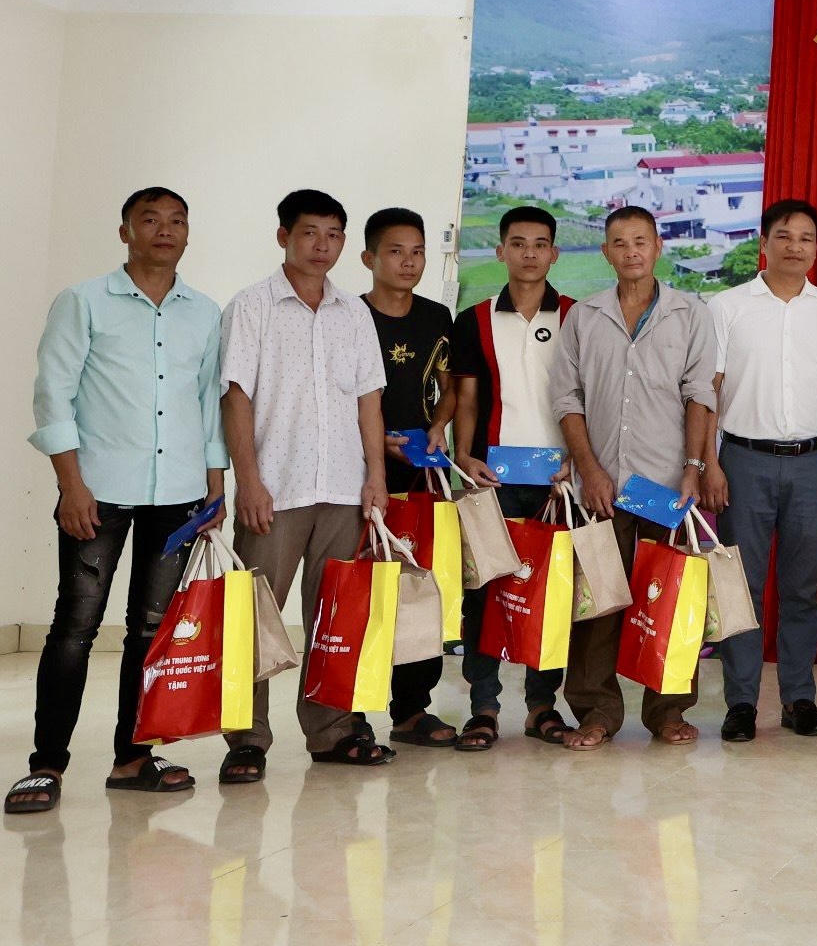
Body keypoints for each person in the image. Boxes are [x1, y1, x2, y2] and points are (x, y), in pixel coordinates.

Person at [7, 188, 224, 814]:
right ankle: (45, 765)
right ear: (125, 231)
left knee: (152, 630)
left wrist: (215, 485)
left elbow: (208, 401)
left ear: (189, 232)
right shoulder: (84, 301)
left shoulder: (203, 312)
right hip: (97, 492)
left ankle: (132, 758)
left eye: (177, 220)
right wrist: (70, 485)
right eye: (149, 220)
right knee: (75, 626)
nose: (165, 230)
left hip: (178, 494)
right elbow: (53, 393)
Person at [219, 189, 393, 780]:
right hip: (276, 489)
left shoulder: (354, 313)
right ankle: (247, 738)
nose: (322, 245)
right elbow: (235, 397)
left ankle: (332, 730)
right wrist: (248, 481)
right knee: (254, 615)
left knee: (335, 617)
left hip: (344, 488)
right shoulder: (252, 307)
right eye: (309, 233)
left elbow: (369, 398)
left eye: (333, 234)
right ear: (283, 237)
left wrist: (375, 476)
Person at [550, 206, 720, 751]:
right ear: (606, 252)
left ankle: (668, 711)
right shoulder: (584, 316)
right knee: (596, 604)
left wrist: (692, 470)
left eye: (641, 241)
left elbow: (700, 394)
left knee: (667, 601)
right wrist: (590, 469)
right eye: (620, 243)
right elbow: (567, 399)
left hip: (665, 485)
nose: (631, 252)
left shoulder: (690, 313)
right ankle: (596, 712)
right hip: (601, 487)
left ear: (658, 247)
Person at [706, 198, 817, 743]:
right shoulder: (727, 307)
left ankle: (798, 698)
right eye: (784, 236)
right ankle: (742, 702)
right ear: (763, 243)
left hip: (814, 463)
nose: (795, 246)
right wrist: (710, 463)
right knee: (741, 587)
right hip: (743, 461)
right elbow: (708, 390)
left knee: (802, 588)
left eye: (806, 238)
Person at [447, 205, 574, 749]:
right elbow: (467, 398)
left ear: (554, 253)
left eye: (540, 244)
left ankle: (542, 705)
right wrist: (464, 457)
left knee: (551, 592)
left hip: (559, 481)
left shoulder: (576, 315)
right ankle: (484, 706)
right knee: (484, 590)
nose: (529, 254)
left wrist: (578, 460)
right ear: (500, 251)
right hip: (492, 478)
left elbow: (586, 398)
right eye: (518, 243)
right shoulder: (474, 319)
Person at [359, 208, 461, 752]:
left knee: (421, 590)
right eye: (396, 251)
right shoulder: (349, 316)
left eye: (417, 252)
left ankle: (411, 709)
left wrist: (439, 426)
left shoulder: (437, 316)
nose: (408, 262)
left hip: (423, 476)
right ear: (369, 258)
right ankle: (349, 712)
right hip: (362, 476)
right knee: (362, 593)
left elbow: (450, 387)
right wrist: (377, 445)